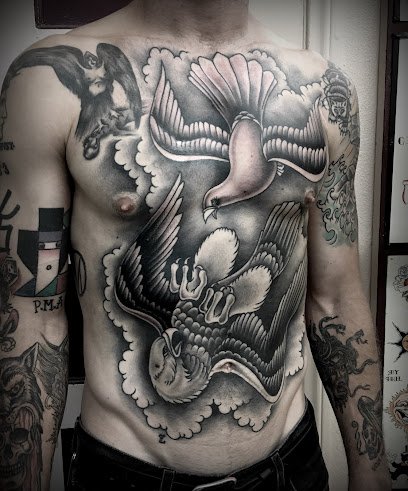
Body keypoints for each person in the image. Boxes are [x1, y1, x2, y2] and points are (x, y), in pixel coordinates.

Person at [0, 1, 391, 490]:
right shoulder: (49, 84)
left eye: (167, 364)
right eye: (178, 369)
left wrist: (372, 470)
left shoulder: (327, 91)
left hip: (290, 471)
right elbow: (32, 314)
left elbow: (337, 300)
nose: (174, 358)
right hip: (124, 477)